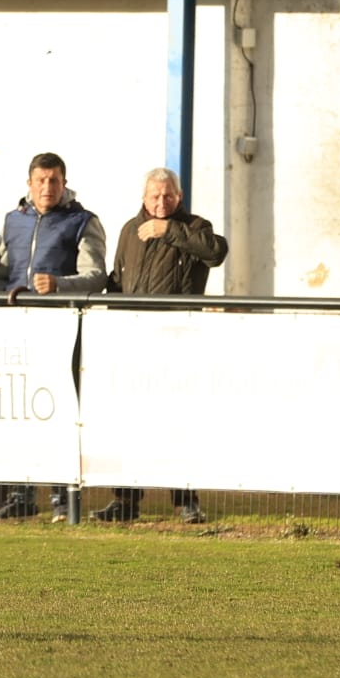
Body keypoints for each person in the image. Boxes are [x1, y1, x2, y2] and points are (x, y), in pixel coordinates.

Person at [91, 167, 229, 525]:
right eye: (155, 196)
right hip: (132, 343)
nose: (161, 202)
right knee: (127, 424)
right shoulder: (128, 230)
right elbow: (118, 282)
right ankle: (125, 500)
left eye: (168, 196)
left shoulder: (196, 227)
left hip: (177, 343)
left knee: (176, 423)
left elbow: (216, 252)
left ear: (179, 198)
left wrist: (170, 232)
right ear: (144, 198)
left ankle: (185, 501)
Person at [0, 151, 108, 523]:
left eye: (54, 180)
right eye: (41, 180)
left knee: (59, 414)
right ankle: (21, 494)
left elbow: (97, 275)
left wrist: (59, 285)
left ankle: (61, 497)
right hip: (16, 332)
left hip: (61, 332)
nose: (47, 187)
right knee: (18, 412)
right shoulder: (11, 220)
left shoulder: (83, 221)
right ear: (29, 183)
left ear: (64, 183)